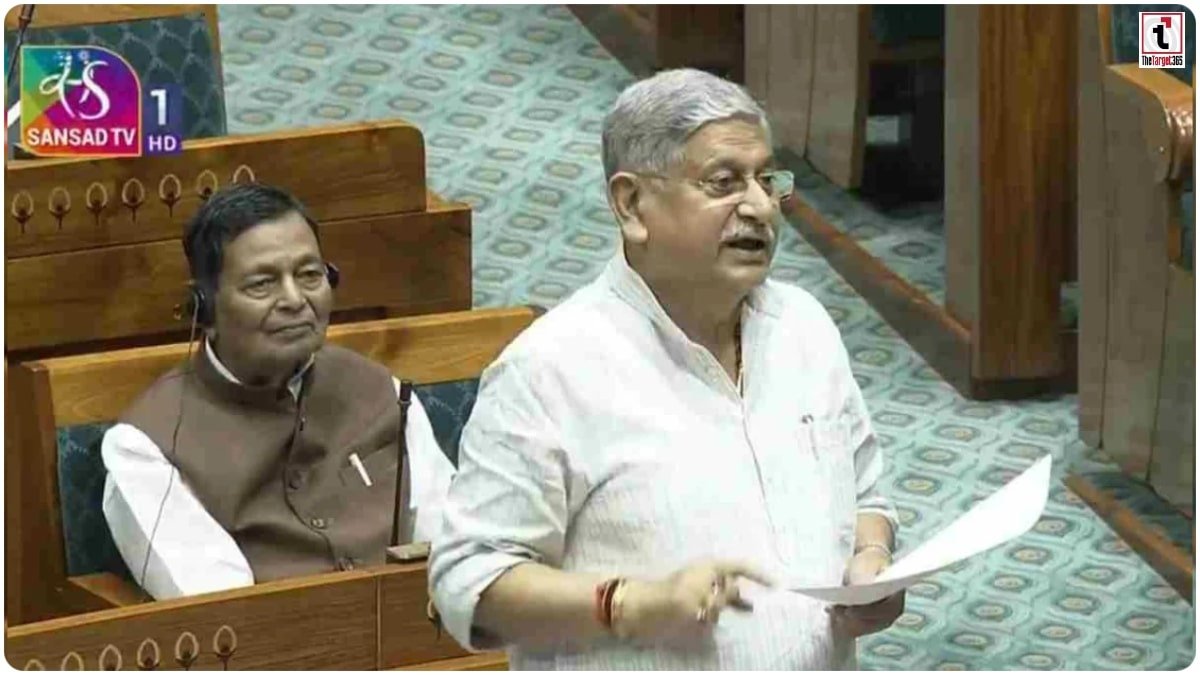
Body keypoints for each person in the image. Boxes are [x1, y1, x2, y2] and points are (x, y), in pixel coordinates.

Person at [429, 69, 903, 669]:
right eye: (724, 182)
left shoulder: (804, 327)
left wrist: (872, 560)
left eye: (766, 180)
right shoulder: (548, 371)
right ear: (631, 204)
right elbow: (467, 581)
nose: (760, 207)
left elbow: (866, 494)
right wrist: (631, 604)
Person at [101, 182, 455, 600]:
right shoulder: (145, 449)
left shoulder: (382, 391)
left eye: (309, 276)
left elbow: (456, 549)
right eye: (262, 284)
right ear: (205, 310)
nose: (294, 299)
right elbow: (224, 616)